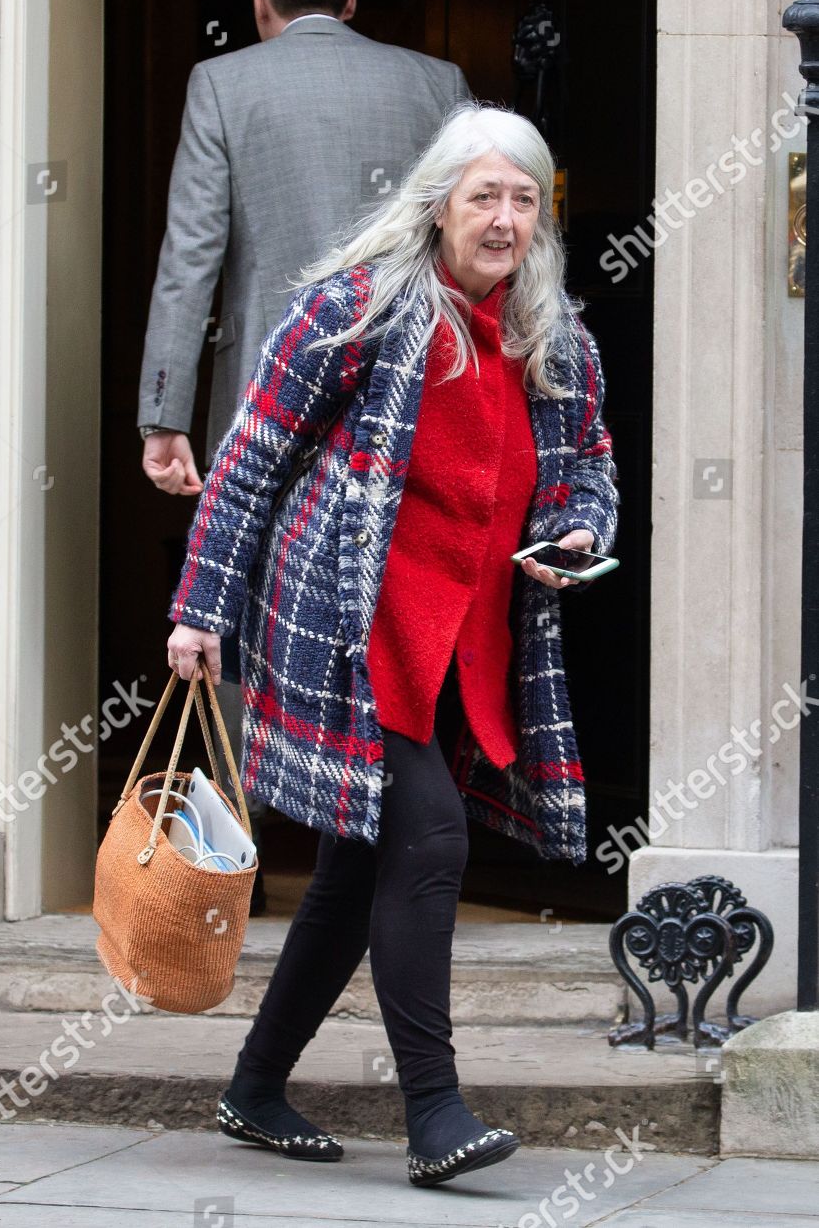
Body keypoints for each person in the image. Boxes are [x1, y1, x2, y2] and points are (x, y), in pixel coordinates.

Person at [166, 102, 619, 1187]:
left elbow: (588, 468)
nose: (503, 219)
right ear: (438, 206)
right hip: (349, 624)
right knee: (428, 843)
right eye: (483, 197)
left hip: (468, 637)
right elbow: (250, 459)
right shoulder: (352, 310)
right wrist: (200, 608)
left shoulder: (550, 334)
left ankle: (254, 1088)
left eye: (522, 199)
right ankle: (434, 1113)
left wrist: (579, 528)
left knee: (354, 866)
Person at [138, 0, 470, 907]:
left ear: (259, 5)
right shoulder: (437, 84)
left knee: (247, 608)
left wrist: (166, 413)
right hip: (409, 398)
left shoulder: (224, 85)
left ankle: (238, 865)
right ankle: (394, 852)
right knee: (396, 607)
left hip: (266, 395)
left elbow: (191, 254)